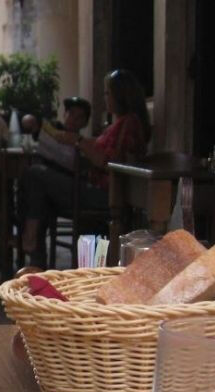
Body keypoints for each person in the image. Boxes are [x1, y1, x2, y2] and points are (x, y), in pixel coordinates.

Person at [18, 70, 150, 267]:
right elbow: (98, 148)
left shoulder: (129, 123)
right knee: (39, 190)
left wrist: (78, 141)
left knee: (35, 175)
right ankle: (35, 254)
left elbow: (110, 161)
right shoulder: (118, 123)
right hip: (92, 186)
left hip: (106, 193)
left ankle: (30, 242)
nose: (105, 98)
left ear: (121, 95)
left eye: (107, 93)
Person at [35, 95, 93, 172]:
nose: (74, 119)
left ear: (85, 123)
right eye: (71, 113)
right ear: (64, 114)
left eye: (80, 116)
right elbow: (34, 126)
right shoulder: (54, 127)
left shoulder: (83, 145)